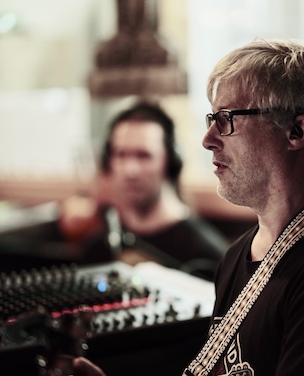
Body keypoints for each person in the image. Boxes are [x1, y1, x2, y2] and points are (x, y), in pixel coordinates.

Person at [37, 37, 304, 376]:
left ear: (296, 130)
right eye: (210, 118)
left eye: (226, 119)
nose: (207, 139)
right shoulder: (237, 255)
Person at [59, 101, 228, 280]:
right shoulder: (97, 249)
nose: (130, 170)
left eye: (143, 155)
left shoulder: (208, 254)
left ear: (170, 163)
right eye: (121, 154)